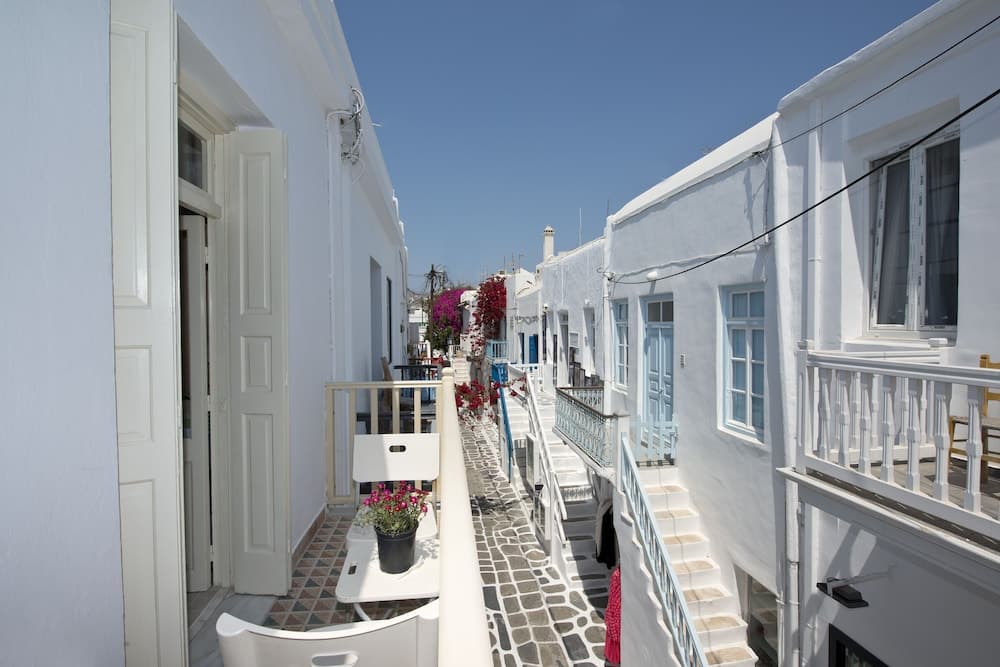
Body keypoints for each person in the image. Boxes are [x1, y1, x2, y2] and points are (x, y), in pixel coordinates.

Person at [604, 565, 621, 666]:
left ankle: (612, 660)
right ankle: (613, 660)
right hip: (615, 610)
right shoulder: (617, 576)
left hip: (614, 609)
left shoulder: (616, 575)